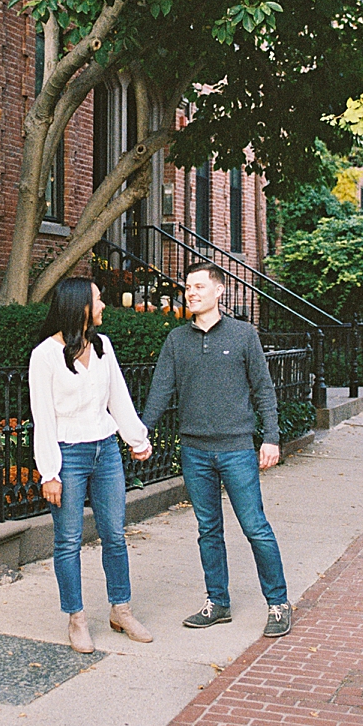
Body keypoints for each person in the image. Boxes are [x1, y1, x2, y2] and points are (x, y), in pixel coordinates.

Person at [141, 261, 292, 639]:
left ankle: (278, 603)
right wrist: (141, 434)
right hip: (194, 451)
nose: (191, 293)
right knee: (208, 529)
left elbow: (263, 390)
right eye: (187, 288)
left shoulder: (243, 335)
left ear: (219, 290)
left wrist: (271, 437)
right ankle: (217, 602)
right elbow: (160, 392)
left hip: (237, 448)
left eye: (198, 287)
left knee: (255, 528)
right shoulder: (177, 340)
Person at [29, 277, 155, 654]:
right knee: (68, 541)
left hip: (105, 452)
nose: (104, 305)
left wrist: (137, 439)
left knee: (114, 534)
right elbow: (43, 418)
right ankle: (77, 619)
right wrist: (49, 472)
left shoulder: (103, 346)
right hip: (68, 455)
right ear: (80, 306)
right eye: (98, 300)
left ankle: (121, 610)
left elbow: (119, 396)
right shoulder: (45, 356)